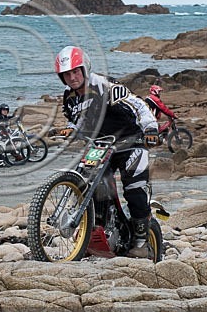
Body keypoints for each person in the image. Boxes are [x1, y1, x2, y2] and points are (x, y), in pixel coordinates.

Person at [55, 45, 160, 258]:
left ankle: (141, 242)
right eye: (67, 74)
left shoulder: (105, 85)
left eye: (76, 71)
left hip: (131, 142)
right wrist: (71, 129)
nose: (72, 77)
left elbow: (138, 105)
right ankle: (96, 230)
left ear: (85, 69)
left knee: (134, 187)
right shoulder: (69, 97)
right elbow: (79, 119)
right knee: (90, 181)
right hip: (101, 146)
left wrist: (151, 128)